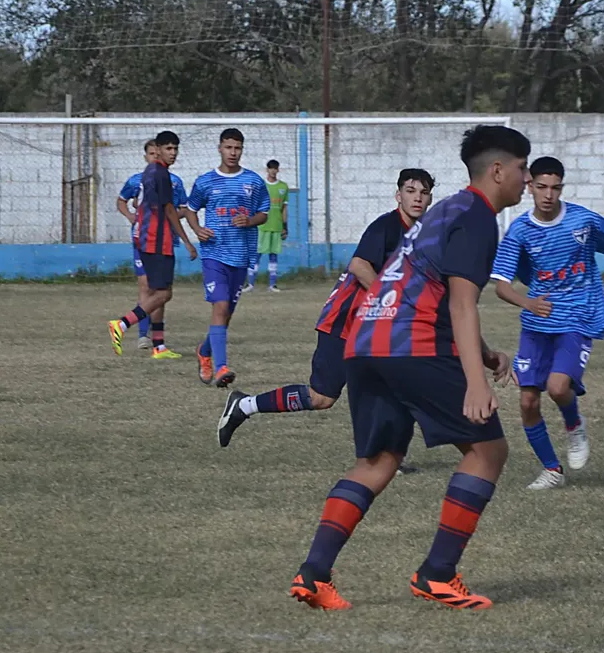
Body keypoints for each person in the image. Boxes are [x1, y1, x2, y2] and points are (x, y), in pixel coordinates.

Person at [288, 125, 530, 612]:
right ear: (498, 171)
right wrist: (477, 383)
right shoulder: (478, 217)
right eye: (523, 170)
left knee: (377, 462)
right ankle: (437, 573)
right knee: (488, 452)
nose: (527, 180)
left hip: (366, 340)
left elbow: (431, 289)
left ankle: (314, 574)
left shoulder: (442, 212)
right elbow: (462, 304)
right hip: (412, 345)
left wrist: (482, 353)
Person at [216, 169, 436, 461]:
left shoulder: (420, 235)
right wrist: (393, 302)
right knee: (321, 398)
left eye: (423, 192)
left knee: (394, 385)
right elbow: (359, 265)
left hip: (375, 328)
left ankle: (384, 458)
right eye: (410, 191)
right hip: (344, 323)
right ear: (399, 195)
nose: (417, 197)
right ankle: (244, 406)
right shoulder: (386, 226)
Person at [490, 156, 604, 490]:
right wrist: (527, 302)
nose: (548, 194)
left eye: (555, 188)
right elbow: (500, 285)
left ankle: (574, 425)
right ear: (529, 187)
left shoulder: (582, 222)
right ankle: (552, 470)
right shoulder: (520, 231)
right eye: (541, 187)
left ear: (562, 188)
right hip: (537, 321)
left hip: (578, 315)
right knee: (527, 401)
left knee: (558, 387)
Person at [184, 128, 270, 388]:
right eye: (228, 147)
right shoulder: (205, 182)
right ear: (219, 148)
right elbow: (189, 210)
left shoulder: (253, 182)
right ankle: (221, 367)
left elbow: (264, 213)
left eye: (237, 148)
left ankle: (205, 351)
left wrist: (250, 220)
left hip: (241, 256)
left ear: (242, 150)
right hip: (214, 255)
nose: (233, 152)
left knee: (226, 314)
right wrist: (198, 230)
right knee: (219, 308)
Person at [107, 131, 198, 355]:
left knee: (161, 292)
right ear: (157, 149)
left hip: (151, 240)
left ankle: (158, 346)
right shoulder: (160, 175)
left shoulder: (152, 172)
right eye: (168, 148)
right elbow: (168, 209)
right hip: (157, 242)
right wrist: (187, 241)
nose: (173, 153)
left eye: (175, 149)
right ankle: (122, 324)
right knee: (163, 294)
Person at [244, 159, 289, 293]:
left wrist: (285, 226)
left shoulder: (283, 187)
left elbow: (284, 208)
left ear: (278, 170)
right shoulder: (260, 185)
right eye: (271, 168)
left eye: (275, 168)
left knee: (273, 255)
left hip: (276, 226)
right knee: (256, 254)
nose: (273, 171)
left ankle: (272, 284)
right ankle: (250, 284)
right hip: (261, 226)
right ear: (267, 170)